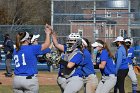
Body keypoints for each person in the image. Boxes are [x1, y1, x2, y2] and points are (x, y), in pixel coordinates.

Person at [12, 24, 52, 93]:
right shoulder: (31, 48)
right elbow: (46, 44)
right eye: (29, 38)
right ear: (26, 40)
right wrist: (48, 34)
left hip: (16, 80)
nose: (30, 39)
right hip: (29, 80)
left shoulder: (16, 50)